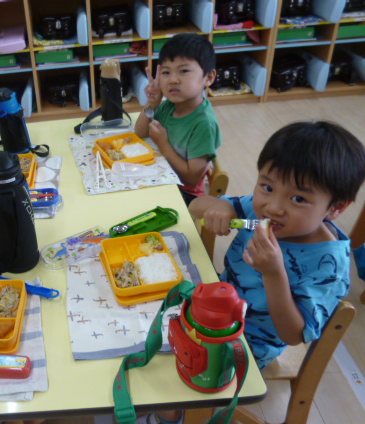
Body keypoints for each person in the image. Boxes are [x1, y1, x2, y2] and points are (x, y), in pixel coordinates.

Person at [138, 121, 365, 424]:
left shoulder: (328, 267)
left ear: (336, 208)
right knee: (141, 323)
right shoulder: (256, 210)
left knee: (171, 380)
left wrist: (274, 274)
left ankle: (172, 416)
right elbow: (196, 206)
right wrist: (218, 207)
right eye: (267, 187)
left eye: (298, 198)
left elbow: (293, 334)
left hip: (249, 342)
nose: (274, 207)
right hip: (213, 307)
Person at [134, 33, 221, 206]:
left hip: (184, 193)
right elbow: (140, 132)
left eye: (184, 71)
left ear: (209, 78)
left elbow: (191, 179)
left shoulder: (204, 124)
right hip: (161, 175)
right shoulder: (170, 105)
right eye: (166, 72)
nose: (173, 80)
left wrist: (163, 144)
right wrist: (153, 102)